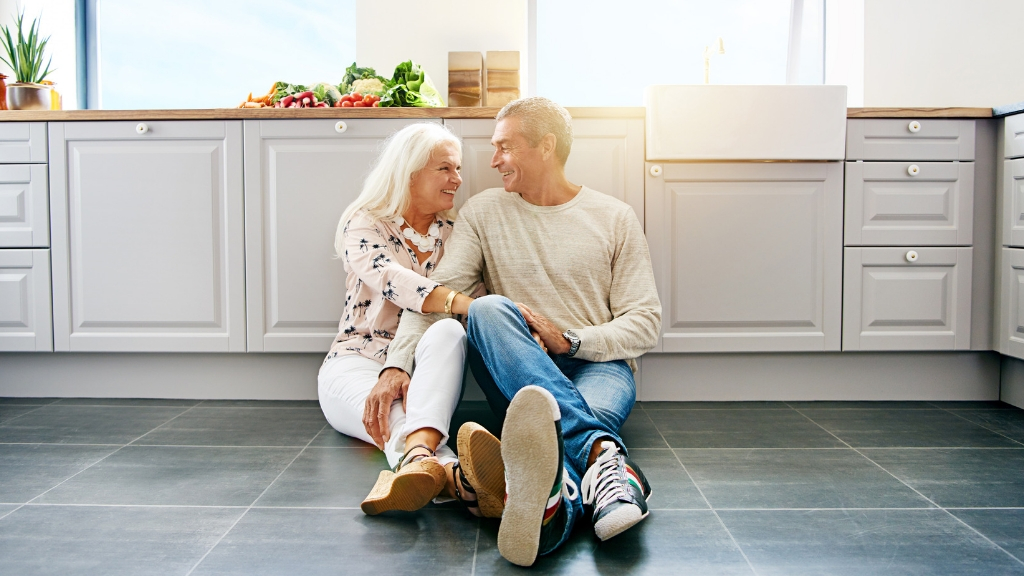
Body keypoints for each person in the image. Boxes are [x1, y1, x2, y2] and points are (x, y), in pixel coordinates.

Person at [384, 97, 662, 566]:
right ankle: (604, 461)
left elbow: (644, 321)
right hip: (516, 368)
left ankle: (554, 509)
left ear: (546, 146)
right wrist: (397, 363)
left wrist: (572, 341)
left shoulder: (614, 217)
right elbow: (439, 295)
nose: (493, 161)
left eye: (505, 147)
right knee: (489, 308)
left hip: (599, 366)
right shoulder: (484, 211)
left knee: (553, 437)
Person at [318, 122, 502, 518]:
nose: (458, 179)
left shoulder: (456, 234)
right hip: (359, 359)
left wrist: (496, 313)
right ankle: (458, 477)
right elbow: (393, 281)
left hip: (426, 364)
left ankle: (424, 468)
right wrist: (466, 303)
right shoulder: (366, 223)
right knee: (396, 416)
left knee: (450, 329)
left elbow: (475, 298)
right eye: (445, 169)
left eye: (457, 169)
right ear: (410, 171)